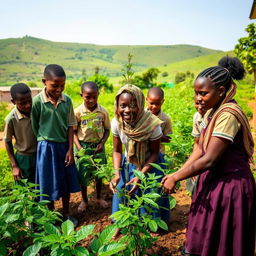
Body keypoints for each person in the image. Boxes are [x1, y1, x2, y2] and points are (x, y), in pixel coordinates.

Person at [162, 58, 255, 256]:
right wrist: (177, 173)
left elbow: (210, 158)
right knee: (203, 235)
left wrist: (176, 177)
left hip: (230, 186)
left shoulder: (228, 114)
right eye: (196, 93)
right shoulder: (213, 111)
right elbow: (199, 150)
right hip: (214, 181)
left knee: (224, 242)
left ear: (221, 91)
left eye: (203, 93)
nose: (198, 98)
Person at [110, 84, 170, 237]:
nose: (127, 110)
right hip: (128, 163)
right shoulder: (117, 122)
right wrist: (116, 173)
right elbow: (117, 150)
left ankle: (152, 225)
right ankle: (121, 224)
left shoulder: (151, 124)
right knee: (122, 191)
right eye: (123, 106)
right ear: (117, 106)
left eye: (133, 105)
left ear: (140, 104)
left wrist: (141, 175)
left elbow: (155, 153)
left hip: (151, 164)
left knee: (151, 194)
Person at [31, 64, 80, 223]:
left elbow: (71, 126)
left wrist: (70, 150)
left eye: (62, 85)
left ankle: (66, 213)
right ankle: (52, 215)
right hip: (46, 148)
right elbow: (35, 126)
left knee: (65, 180)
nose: (59, 89)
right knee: (47, 182)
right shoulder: (37, 102)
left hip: (64, 147)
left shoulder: (67, 101)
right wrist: (43, 144)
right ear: (44, 81)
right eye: (55, 85)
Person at [74, 81, 110, 213]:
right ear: (81, 95)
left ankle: (99, 197)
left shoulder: (102, 112)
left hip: (98, 146)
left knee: (99, 173)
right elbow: (72, 131)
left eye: (94, 97)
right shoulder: (78, 112)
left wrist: (102, 143)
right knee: (83, 174)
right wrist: (79, 148)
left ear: (98, 95)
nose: (91, 100)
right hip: (83, 146)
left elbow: (107, 129)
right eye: (87, 97)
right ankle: (84, 199)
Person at [3, 83, 37, 183]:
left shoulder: (36, 110)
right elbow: (8, 141)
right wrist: (14, 166)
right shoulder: (11, 119)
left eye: (29, 100)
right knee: (24, 190)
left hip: (40, 154)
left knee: (42, 189)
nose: (28, 105)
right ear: (13, 102)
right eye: (22, 103)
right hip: (23, 159)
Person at [186, 98, 207, 194]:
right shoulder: (196, 117)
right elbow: (197, 142)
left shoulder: (214, 116)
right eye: (197, 103)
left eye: (203, 104)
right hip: (202, 154)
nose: (200, 107)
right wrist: (192, 163)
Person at [146, 87, 172, 154]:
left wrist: (155, 134)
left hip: (158, 153)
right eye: (151, 103)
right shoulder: (140, 115)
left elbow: (169, 139)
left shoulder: (165, 119)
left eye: (157, 104)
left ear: (162, 101)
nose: (154, 106)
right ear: (146, 100)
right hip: (143, 153)